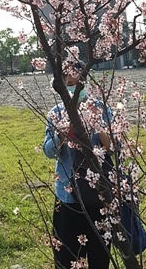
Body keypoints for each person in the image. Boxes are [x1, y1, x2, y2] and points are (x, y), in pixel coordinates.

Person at [43, 65, 113, 269]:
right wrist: (62, 134)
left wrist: (97, 126)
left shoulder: (100, 109)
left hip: (98, 193)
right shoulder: (56, 113)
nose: (74, 90)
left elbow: (115, 147)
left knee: (99, 255)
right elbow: (48, 151)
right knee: (66, 255)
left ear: (86, 83)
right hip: (67, 195)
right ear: (63, 86)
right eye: (70, 85)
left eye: (78, 84)